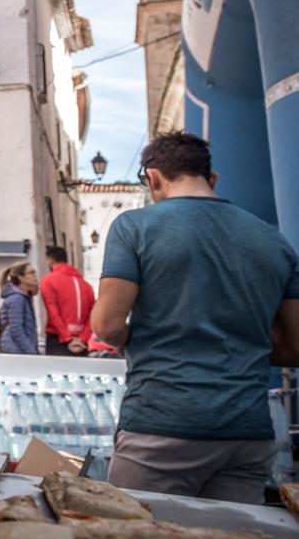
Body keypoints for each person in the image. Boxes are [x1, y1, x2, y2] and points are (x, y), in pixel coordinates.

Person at [93, 132, 299, 504]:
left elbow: (106, 325)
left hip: (162, 426)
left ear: (153, 178)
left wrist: (140, 338)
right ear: (213, 179)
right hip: (247, 433)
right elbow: (294, 347)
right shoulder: (275, 242)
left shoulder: (135, 226)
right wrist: (235, 345)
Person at [40, 245, 94, 356]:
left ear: (50, 260)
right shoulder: (86, 286)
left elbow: (53, 312)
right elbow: (92, 315)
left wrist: (68, 338)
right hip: (81, 343)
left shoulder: (48, 280)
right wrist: (82, 338)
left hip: (58, 339)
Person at [0, 263, 38, 355]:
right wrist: (31, 352)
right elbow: (16, 329)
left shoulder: (24, 297)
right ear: (21, 277)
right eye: (31, 273)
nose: (35, 275)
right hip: (15, 350)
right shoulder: (17, 298)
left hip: (17, 349)